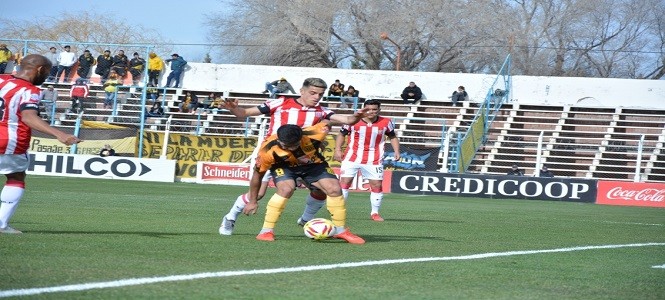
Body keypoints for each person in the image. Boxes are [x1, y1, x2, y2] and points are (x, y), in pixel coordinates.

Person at [218, 77, 369, 236]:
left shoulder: (321, 111)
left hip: (303, 156)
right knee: (259, 194)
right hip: (274, 156)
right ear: (301, 91)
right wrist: (234, 109)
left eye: (320, 94)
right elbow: (245, 113)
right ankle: (230, 217)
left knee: (322, 191)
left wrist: (358, 115)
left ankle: (306, 220)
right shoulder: (280, 103)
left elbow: (348, 120)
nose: (316, 97)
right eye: (313, 93)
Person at [243, 122, 365, 244]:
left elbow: (330, 121)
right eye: (285, 146)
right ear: (279, 140)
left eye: (293, 146)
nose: (289, 149)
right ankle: (266, 231)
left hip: (313, 165)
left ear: (301, 138)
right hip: (284, 167)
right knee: (286, 189)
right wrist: (253, 201)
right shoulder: (267, 150)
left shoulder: (315, 133)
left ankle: (340, 231)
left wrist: (357, 117)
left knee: (334, 189)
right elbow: (257, 176)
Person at [0, 54, 81, 234]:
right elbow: (29, 117)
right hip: (9, 141)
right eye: (47, 72)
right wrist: (59, 134)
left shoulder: (1, 79)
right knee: (15, 177)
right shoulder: (30, 90)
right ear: (39, 69)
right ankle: (1, 225)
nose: (46, 76)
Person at [333, 99, 400, 222]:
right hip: (351, 157)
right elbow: (342, 134)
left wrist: (397, 151)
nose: (371, 112)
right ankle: (338, 209)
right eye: (368, 109)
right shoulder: (353, 120)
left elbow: (392, 136)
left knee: (377, 185)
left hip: (374, 158)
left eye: (375, 109)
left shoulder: (386, 122)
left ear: (379, 110)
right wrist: (337, 149)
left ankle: (375, 213)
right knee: (345, 183)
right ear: (364, 108)